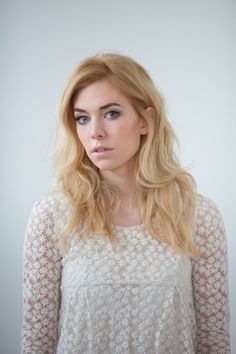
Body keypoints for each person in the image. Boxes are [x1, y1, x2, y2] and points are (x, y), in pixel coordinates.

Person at [21, 53, 231, 353]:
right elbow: (36, 342)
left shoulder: (198, 216)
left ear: (146, 120)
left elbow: (214, 342)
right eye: (82, 118)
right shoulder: (53, 216)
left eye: (111, 113)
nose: (95, 131)